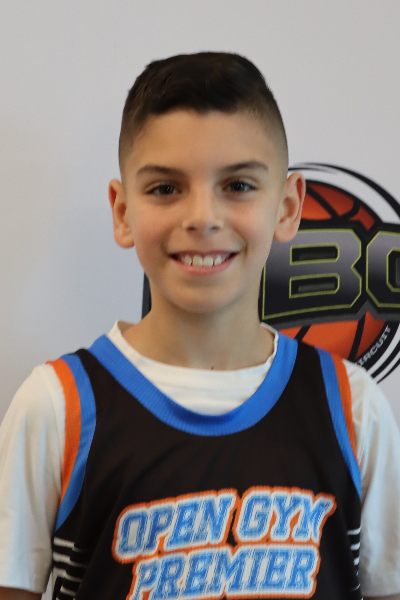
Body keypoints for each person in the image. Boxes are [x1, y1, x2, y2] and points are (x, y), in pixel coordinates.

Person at [0, 52, 399, 600]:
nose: (202, 217)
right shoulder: (57, 407)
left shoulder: (351, 407)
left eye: (238, 185)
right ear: (122, 211)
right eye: (166, 188)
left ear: (287, 207)